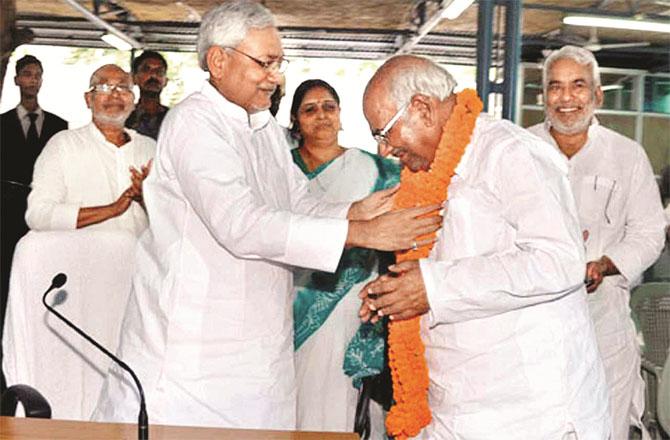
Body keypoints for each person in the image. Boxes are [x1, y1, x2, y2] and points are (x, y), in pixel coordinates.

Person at [92, 1, 439, 430]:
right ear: (218, 60)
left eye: (279, 62)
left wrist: (357, 208)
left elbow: (299, 202)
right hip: (196, 353)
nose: (275, 76)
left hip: (260, 349)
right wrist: (360, 232)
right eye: (265, 62)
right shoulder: (194, 124)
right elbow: (242, 224)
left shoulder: (264, 130)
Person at [359, 55, 611, 439]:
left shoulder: (510, 152)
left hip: (530, 412)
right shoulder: (422, 175)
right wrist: (395, 292)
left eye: (384, 133)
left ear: (422, 108)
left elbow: (559, 260)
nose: (383, 150)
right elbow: (439, 265)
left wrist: (434, 286)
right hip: (457, 406)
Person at [528, 45, 666, 440]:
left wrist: (605, 264)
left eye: (578, 86)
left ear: (597, 95)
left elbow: (649, 232)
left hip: (603, 316)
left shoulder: (627, 156)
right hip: (533, 315)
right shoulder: (521, 150)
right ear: (543, 96)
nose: (566, 98)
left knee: (604, 423)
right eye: (555, 87)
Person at [289, 79, 400, 435]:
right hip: (288, 301)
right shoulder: (280, 170)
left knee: (343, 404)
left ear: (340, 116)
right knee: (294, 402)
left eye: (329, 107)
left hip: (354, 306)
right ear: (295, 120)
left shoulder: (379, 171)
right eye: (310, 109)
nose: (321, 115)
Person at [25, 64, 154, 236]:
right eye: (104, 87)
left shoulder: (150, 149)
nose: (115, 94)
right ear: (88, 99)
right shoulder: (64, 145)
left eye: (123, 87)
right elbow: (38, 215)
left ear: (133, 101)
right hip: (79, 258)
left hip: (139, 259)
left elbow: (173, 220)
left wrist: (145, 198)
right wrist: (112, 209)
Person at [1, 55, 68, 187]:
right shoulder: (2, 123)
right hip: (7, 199)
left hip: (47, 198)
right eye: (27, 74)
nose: (33, 80)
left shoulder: (58, 125)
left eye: (38, 75)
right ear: (16, 80)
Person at [125, 51, 169, 140]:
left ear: (165, 81)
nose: (153, 75)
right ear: (134, 78)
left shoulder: (174, 117)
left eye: (159, 71)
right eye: (146, 70)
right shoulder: (124, 118)